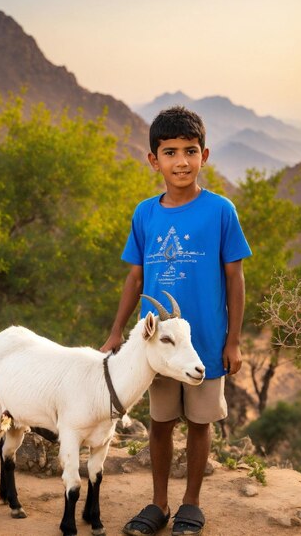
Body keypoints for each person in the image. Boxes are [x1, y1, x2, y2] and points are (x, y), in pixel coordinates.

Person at [101, 106, 252, 536]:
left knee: (200, 423)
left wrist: (234, 340)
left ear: (204, 154)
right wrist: (116, 331)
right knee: (161, 423)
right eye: (170, 152)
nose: (181, 161)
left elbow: (235, 278)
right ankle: (158, 503)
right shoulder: (145, 214)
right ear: (154, 160)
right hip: (158, 349)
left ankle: (191, 504)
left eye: (189, 151)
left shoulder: (220, 210)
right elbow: (135, 277)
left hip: (204, 342)